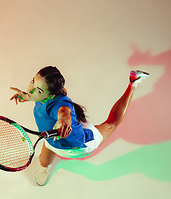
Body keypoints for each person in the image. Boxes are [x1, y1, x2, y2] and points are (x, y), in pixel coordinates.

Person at [10, 66, 149, 186]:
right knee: (43, 161)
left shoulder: (58, 106)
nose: (31, 90)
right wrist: (27, 96)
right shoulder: (43, 96)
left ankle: (133, 83)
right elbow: (35, 94)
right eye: (32, 82)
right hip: (51, 139)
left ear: (51, 95)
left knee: (111, 123)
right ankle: (45, 168)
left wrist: (64, 122)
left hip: (79, 145)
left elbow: (64, 113)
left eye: (39, 91)